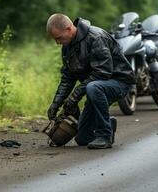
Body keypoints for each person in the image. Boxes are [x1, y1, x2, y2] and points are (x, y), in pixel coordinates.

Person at [46, 13, 135, 149]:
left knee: (93, 87)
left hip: (118, 83)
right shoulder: (67, 46)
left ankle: (105, 135)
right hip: (96, 88)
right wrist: (55, 104)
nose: (57, 43)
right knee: (82, 138)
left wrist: (75, 95)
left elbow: (102, 73)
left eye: (59, 38)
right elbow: (68, 78)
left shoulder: (95, 37)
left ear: (69, 29)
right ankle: (107, 123)